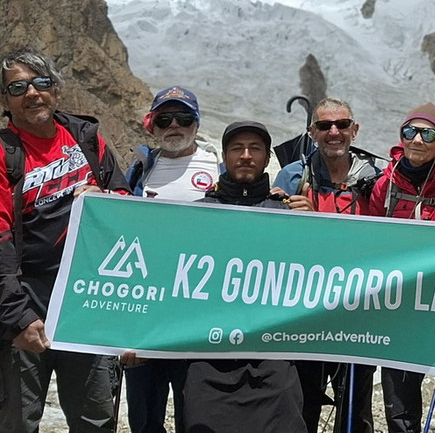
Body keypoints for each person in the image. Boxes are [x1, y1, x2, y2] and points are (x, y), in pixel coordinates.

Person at [0, 48, 130, 433]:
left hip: (85, 298)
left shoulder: (87, 140)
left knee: (95, 417)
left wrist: (103, 201)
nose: (32, 93)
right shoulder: (5, 152)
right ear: (6, 100)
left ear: (55, 89)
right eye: (18, 87)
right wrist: (17, 315)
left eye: (41, 83)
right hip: (25, 298)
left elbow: (123, 201)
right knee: (18, 421)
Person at [183, 120, 304, 433]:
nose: (246, 155)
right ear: (225, 157)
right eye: (237, 148)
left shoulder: (291, 216)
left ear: (266, 158)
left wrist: (312, 226)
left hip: (272, 357)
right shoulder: (196, 216)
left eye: (255, 149)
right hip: (209, 356)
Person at [276, 98, 381, 433]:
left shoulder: (376, 180)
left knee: (355, 408)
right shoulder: (293, 176)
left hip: (360, 308)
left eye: (341, 125)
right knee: (302, 401)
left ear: (355, 129)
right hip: (306, 309)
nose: (334, 132)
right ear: (312, 132)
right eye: (324, 126)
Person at [121, 86, 220, 433]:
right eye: (165, 118)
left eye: (184, 117)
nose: (174, 125)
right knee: (144, 418)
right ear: (152, 125)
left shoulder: (217, 167)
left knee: (195, 412)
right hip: (145, 313)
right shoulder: (138, 171)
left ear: (196, 123)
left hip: (195, 315)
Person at [370, 103, 435, 433]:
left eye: (428, 133)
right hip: (401, 301)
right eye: (409, 131)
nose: (417, 140)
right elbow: (372, 235)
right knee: (399, 391)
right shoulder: (385, 185)